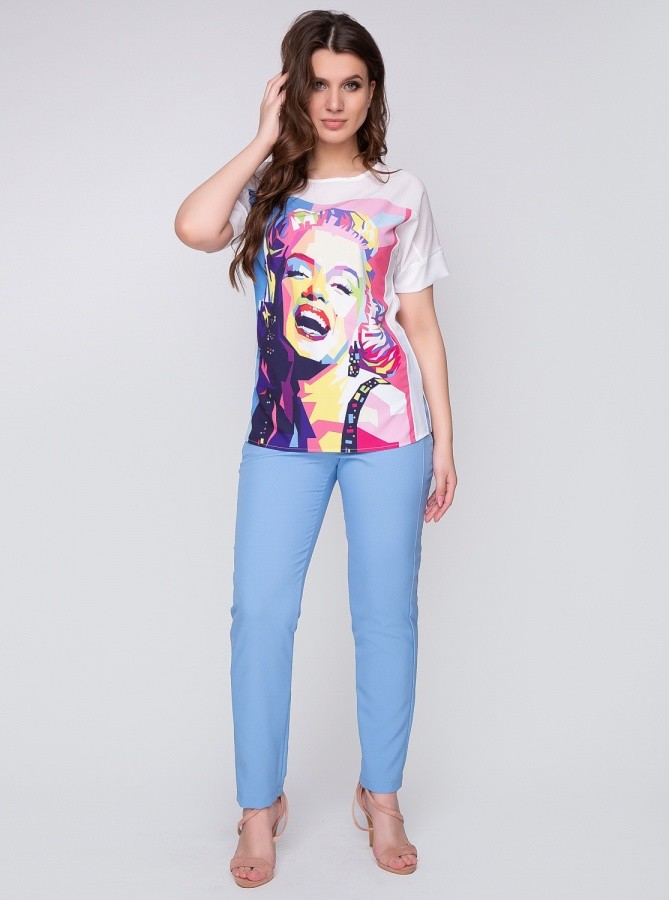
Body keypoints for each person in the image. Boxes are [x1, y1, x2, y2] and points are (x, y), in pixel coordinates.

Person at [174, 9, 457, 889]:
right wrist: (264, 139)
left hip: (389, 436)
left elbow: (420, 324)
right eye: (317, 84)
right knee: (260, 616)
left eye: (351, 84)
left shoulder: (401, 193)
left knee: (386, 617)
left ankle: (381, 794)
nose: (334, 101)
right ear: (292, 90)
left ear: (372, 94)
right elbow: (194, 228)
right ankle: (259, 807)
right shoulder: (270, 191)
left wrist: (445, 443)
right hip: (283, 437)